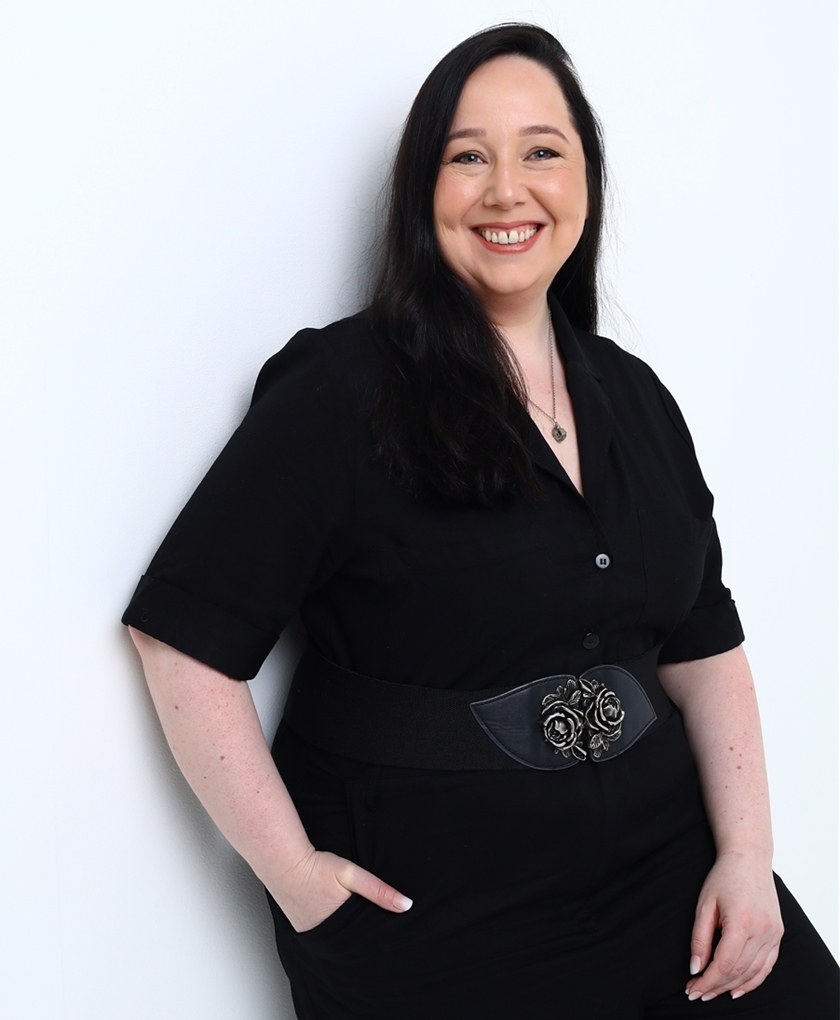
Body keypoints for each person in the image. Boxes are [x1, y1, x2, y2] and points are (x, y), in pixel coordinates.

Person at [123, 23, 838, 1020]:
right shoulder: (341, 389)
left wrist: (749, 856)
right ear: (424, 192)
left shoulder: (635, 396)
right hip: (439, 916)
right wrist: (298, 882)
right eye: (468, 158)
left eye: (542, 151)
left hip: (666, 874)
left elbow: (703, 642)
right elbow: (180, 640)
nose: (508, 190)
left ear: (585, 180)